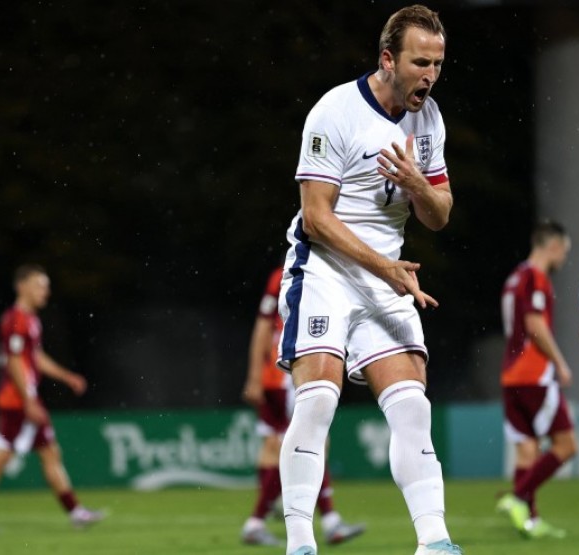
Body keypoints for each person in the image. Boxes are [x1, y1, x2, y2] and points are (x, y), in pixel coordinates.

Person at [276, 5, 461, 555]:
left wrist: (417, 184)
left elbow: (440, 214)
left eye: (438, 64)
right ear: (387, 60)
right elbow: (317, 217)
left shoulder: (429, 120)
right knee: (318, 400)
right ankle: (300, 543)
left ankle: (434, 542)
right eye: (420, 63)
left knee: (412, 406)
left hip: (387, 276)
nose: (430, 75)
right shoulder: (334, 112)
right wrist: (385, 269)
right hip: (326, 269)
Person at [239, 266, 365, 547]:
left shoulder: (288, 272)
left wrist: (256, 375)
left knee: (275, 446)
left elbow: (263, 323)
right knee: (310, 442)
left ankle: (268, 513)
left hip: (277, 373)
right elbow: (264, 326)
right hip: (287, 373)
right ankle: (319, 520)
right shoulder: (302, 269)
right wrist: (255, 376)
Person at [0, 264, 106, 528]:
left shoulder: (31, 320)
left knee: (50, 453)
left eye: (45, 286)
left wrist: (66, 377)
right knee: (3, 457)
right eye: (38, 285)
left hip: (27, 399)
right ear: (21, 286)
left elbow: (34, 357)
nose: (44, 291)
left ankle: (76, 512)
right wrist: (28, 401)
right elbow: (14, 362)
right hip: (16, 401)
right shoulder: (16, 319)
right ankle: (76, 512)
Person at [496, 220, 577, 539]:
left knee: (527, 450)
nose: (564, 259)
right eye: (564, 251)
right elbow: (534, 325)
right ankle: (517, 498)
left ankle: (529, 520)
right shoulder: (535, 277)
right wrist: (560, 362)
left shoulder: (514, 277)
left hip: (510, 376)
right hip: (533, 375)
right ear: (553, 246)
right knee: (567, 445)